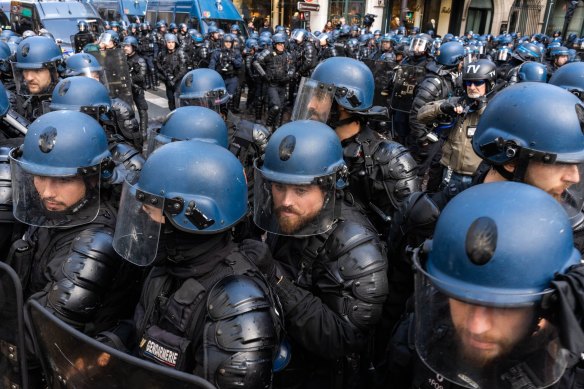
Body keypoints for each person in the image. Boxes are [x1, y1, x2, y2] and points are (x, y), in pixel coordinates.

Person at [108, 140, 281, 386]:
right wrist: (109, 346)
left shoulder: (235, 305)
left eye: (150, 211)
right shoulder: (167, 268)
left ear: (192, 217)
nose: (143, 221)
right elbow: (142, 332)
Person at [385, 181, 584, 388]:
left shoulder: (570, 380)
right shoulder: (419, 339)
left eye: (504, 307)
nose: (477, 327)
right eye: (462, 298)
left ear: (547, 305)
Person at [5, 110, 142, 387]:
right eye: (40, 176)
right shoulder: (55, 214)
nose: (46, 192)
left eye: (63, 180)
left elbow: (40, 338)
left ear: (92, 179)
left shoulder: (95, 243)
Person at [252, 120, 389, 388]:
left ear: (328, 189)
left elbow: (343, 338)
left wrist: (275, 278)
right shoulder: (292, 215)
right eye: (279, 187)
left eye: (301, 190)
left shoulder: (356, 247)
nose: (286, 201)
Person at [293, 57, 419, 235]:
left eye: (319, 96)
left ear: (345, 102)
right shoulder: (308, 144)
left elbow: (404, 235)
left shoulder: (389, 162)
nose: (310, 104)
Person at [416, 59, 497, 191]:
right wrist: (442, 107)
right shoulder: (458, 102)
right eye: (468, 83)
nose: (471, 87)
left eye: (478, 83)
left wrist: (482, 108)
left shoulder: (496, 107)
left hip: (478, 178)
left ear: (489, 84)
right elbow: (420, 115)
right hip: (449, 175)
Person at [11, 36, 62, 121]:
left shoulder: (66, 101)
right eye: (25, 70)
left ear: (54, 71)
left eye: (37, 70)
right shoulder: (27, 101)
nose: (28, 78)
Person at [122, 35, 149, 139]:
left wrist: (129, 79)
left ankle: (143, 133)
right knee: (126, 111)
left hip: (137, 88)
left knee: (142, 109)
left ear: (133, 47)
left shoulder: (140, 60)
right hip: (125, 89)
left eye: (128, 46)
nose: (125, 48)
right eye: (125, 46)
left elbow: (141, 76)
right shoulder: (123, 58)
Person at [156, 33, 187, 111]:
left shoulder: (180, 52)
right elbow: (158, 66)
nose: (171, 44)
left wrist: (174, 80)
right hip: (168, 81)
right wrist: (165, 78)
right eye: (169, 42)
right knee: (171, 101)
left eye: (172, 42)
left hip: (178, 81)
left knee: (178, 100)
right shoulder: (162, 53)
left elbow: (183, 70)